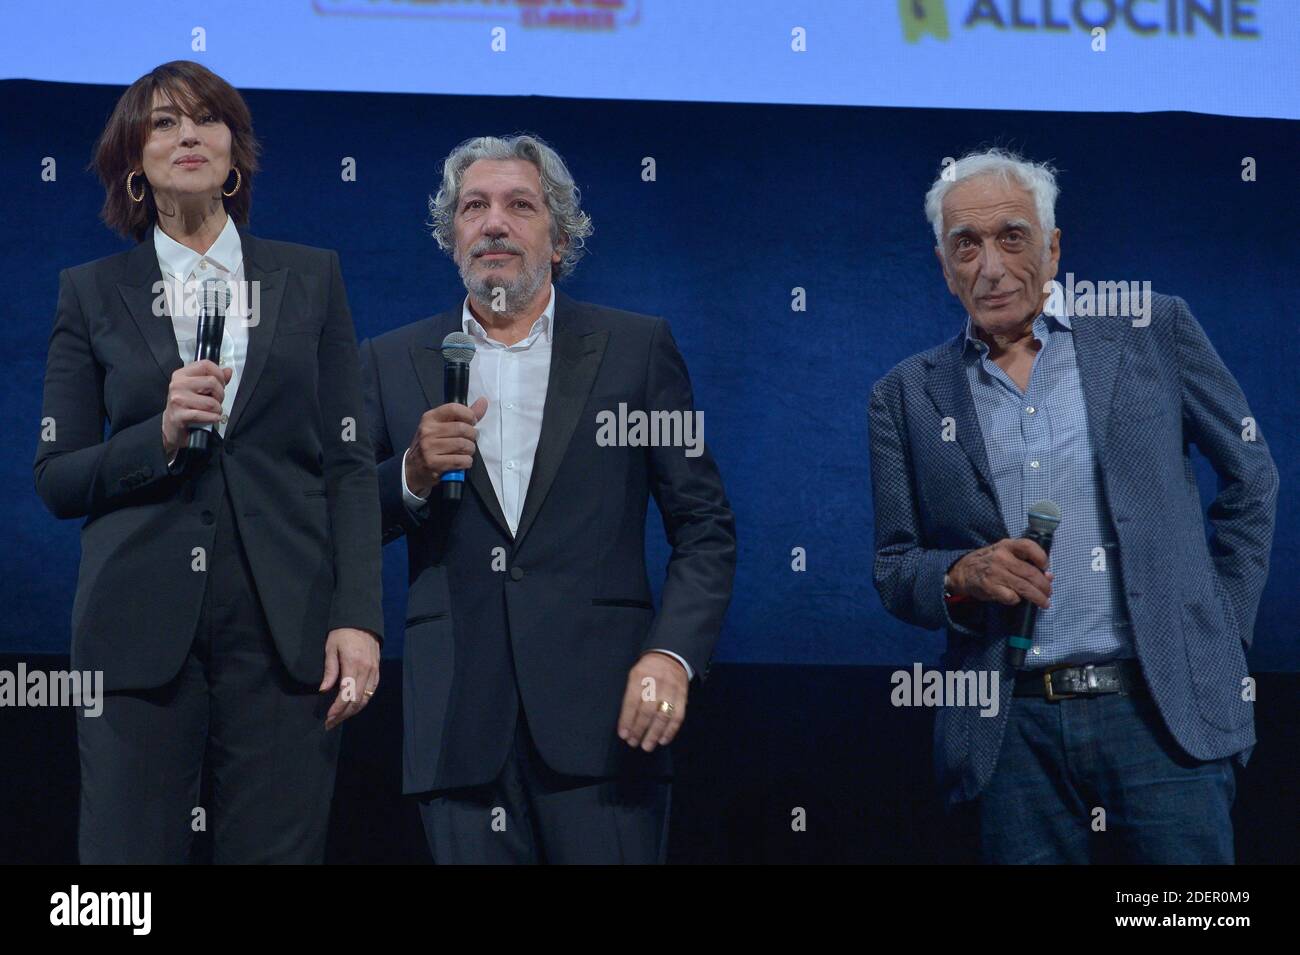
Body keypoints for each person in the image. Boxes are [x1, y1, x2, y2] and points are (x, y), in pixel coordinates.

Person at [868, 148, 1278, 863]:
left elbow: (1251, 479)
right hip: (1011, 735)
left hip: (1162, 719)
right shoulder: (905, 395)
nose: (990, 265)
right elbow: (894, 568)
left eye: (1012, 237)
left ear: (1053, 247)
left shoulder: (1152, 328)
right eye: (967, 245)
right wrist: (962, 573)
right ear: (944, 265)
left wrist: (1217, 633)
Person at [34, 60, 383, 863]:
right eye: (162, 123)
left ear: (235, 157)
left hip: (285, 628)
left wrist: (357, 617)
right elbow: (55, 477)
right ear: (132, 165)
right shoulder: (89, 292)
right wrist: (156, 434)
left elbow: (349, 463)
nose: (187, 134)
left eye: (207, 119)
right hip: (135, 632)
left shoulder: (310, 277)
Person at [361, 134, 736, 864]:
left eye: (518, 205)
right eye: (475, 206)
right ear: (452, 235)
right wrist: (409, 471)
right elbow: (337, 520)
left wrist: (671, 655)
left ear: (559, 239)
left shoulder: (637, 350)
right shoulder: (390, 358)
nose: (494, 222)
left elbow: (705, 527)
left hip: (606, 728)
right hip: (458, 729)